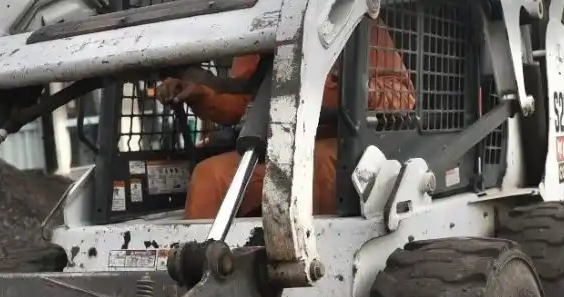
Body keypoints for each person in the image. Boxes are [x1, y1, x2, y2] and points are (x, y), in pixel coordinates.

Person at [156, 19, 416, 220]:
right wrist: (200, 93)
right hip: (274, 147)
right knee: (209, 177)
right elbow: (241, 100)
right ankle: (201, 274)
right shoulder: (263, 26)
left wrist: (358, 87)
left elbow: (403, 97)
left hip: (342, 142)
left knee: (323, 170)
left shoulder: (360, 22)